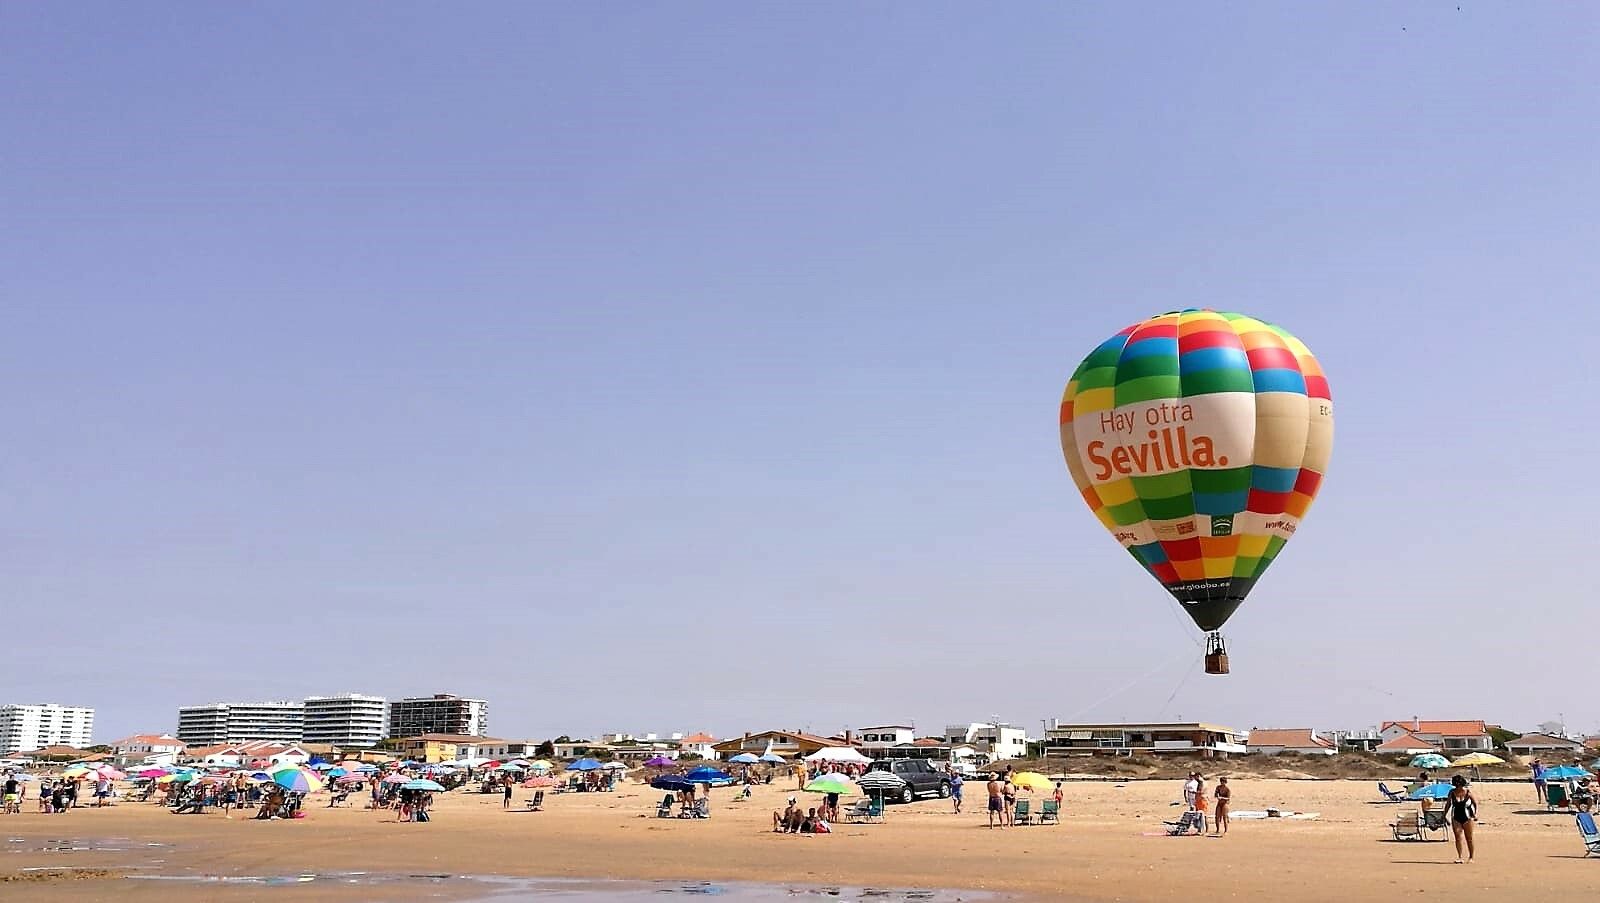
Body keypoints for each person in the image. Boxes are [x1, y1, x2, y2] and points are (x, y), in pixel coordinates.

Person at [1445, 774, 1477, 863]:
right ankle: (1460, 857)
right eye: (1456, 784)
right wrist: (1444, 815)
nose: (1457, 786)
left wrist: (1474, 814)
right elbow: (1448, 804)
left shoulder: (1468, 792)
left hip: (1468, 817)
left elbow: (1474, 803)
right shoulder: (1452, 792)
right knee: (1458, 837)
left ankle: (1471, 857)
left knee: (1469, 838)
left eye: (1458, 784)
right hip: (1456, 817)